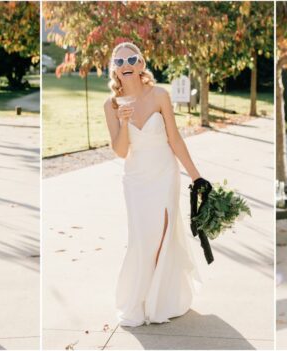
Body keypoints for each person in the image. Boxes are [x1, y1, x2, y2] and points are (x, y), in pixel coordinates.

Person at [102, 42, 205, 327]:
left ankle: (158, 300)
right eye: (120, 61)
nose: (126, 65)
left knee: (161, 236)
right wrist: (123, 123)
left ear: (141, 64)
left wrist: (196, 176)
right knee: (141, 238)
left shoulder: (160, 95)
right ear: (114, 68)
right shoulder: (110, 105)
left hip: (164, 173)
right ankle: (139, 297)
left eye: (132, 59)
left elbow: (174, 139)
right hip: (136, 179)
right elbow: (121, 152)